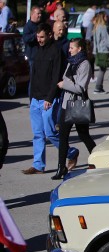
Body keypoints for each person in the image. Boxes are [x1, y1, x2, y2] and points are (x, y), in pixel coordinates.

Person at [22, 23, 78, 175]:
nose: (39, 40)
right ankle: (38, 165)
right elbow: (34, 75)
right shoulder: (37, 51)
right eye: (37, 37)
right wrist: (32, 96)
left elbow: (56, 77)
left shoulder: (56, 51)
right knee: (38, 133)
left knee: (50, 132)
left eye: (41, 37)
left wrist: (50, 97)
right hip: (35, 99)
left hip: (49, 99)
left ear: (49, 35)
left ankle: (71, 152)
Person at [52, 38, 96, 180]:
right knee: (63, 136)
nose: (69, 50)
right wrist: (66, 82)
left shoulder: (85, 64)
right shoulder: (71, 62)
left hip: (78, 105)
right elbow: (66, 77)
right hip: (66, 104)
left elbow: (80, 88)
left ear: (80, 49)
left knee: (84, 135)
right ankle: (61, 167)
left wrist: (65, 84)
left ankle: (98, 158)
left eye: (72, 48)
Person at [92, 12, 109, 94]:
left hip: (98, 50)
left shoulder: (96, 27)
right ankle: (98, 87)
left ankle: (100, 87)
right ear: (103, 17)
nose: (107, 17)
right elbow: (106, 39)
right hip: (103, 50)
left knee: (102, 69)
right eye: (106, 16)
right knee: (102, 69)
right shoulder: (103, 27)